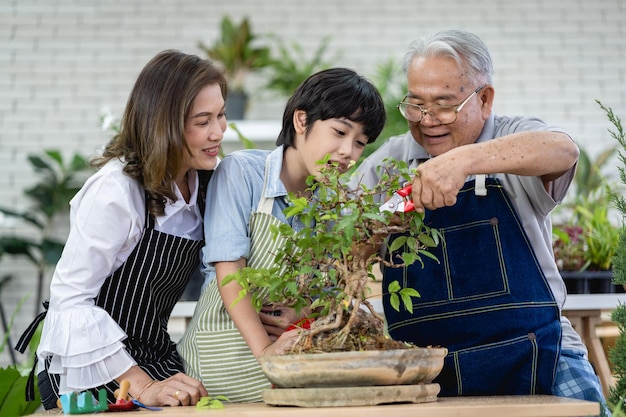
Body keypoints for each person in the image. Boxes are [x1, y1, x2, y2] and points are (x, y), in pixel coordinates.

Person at [352, 30, 608, 413]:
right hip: (427, 371)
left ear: (484, 99)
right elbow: (346, 241)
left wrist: (462, 160)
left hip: (537, 355)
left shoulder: (513, 137)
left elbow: (562, 149)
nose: (427, 120)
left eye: (444, 104)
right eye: (416, 105)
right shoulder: (391, 162)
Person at [16, 49, 223, 409]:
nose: (218, 132)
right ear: (164, 124)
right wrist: (143, 388)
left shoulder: (203, 183)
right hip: (89, 370)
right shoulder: (116, 190)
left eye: (221, 116)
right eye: (202, 121)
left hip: (154, 356)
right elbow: (70, 301)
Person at [176, 67, 386, 402]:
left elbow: (330, 294)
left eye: (360, 143)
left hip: (288, 365)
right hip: (221, 365)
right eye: (340, 132)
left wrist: (301, 315)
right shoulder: (242, 174)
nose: (349, 151)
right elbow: (229, 273)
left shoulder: (334, 207)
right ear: (301, 122)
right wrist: (265, 352)